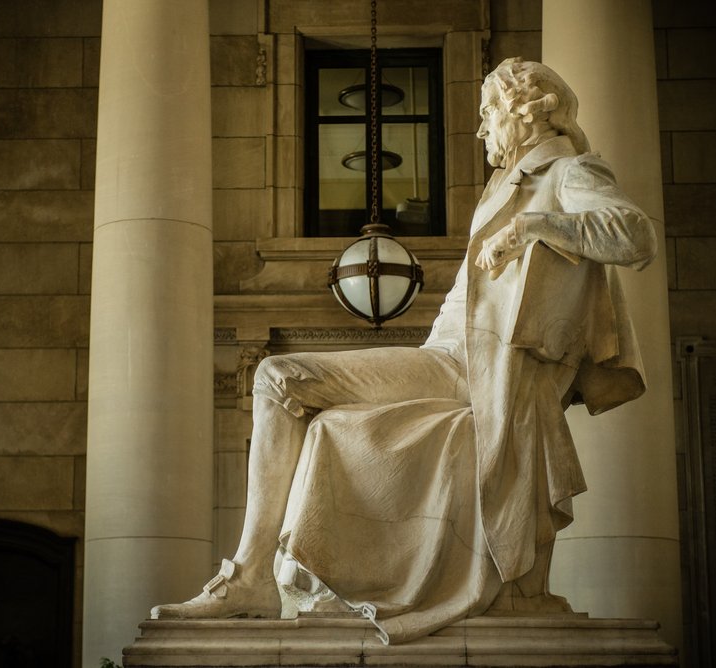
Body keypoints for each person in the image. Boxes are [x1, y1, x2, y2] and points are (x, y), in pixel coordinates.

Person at [151, 57, 656, 644]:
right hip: (443, 358)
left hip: (476, 372)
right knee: (286, 385)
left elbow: (634, 234)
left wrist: (535, 226)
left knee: (276, 375)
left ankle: (249, 578)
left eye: (489, 112)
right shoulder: (505, 184)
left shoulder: (568, 171)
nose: (480, 129)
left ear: (527, 110)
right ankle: (254, 577)